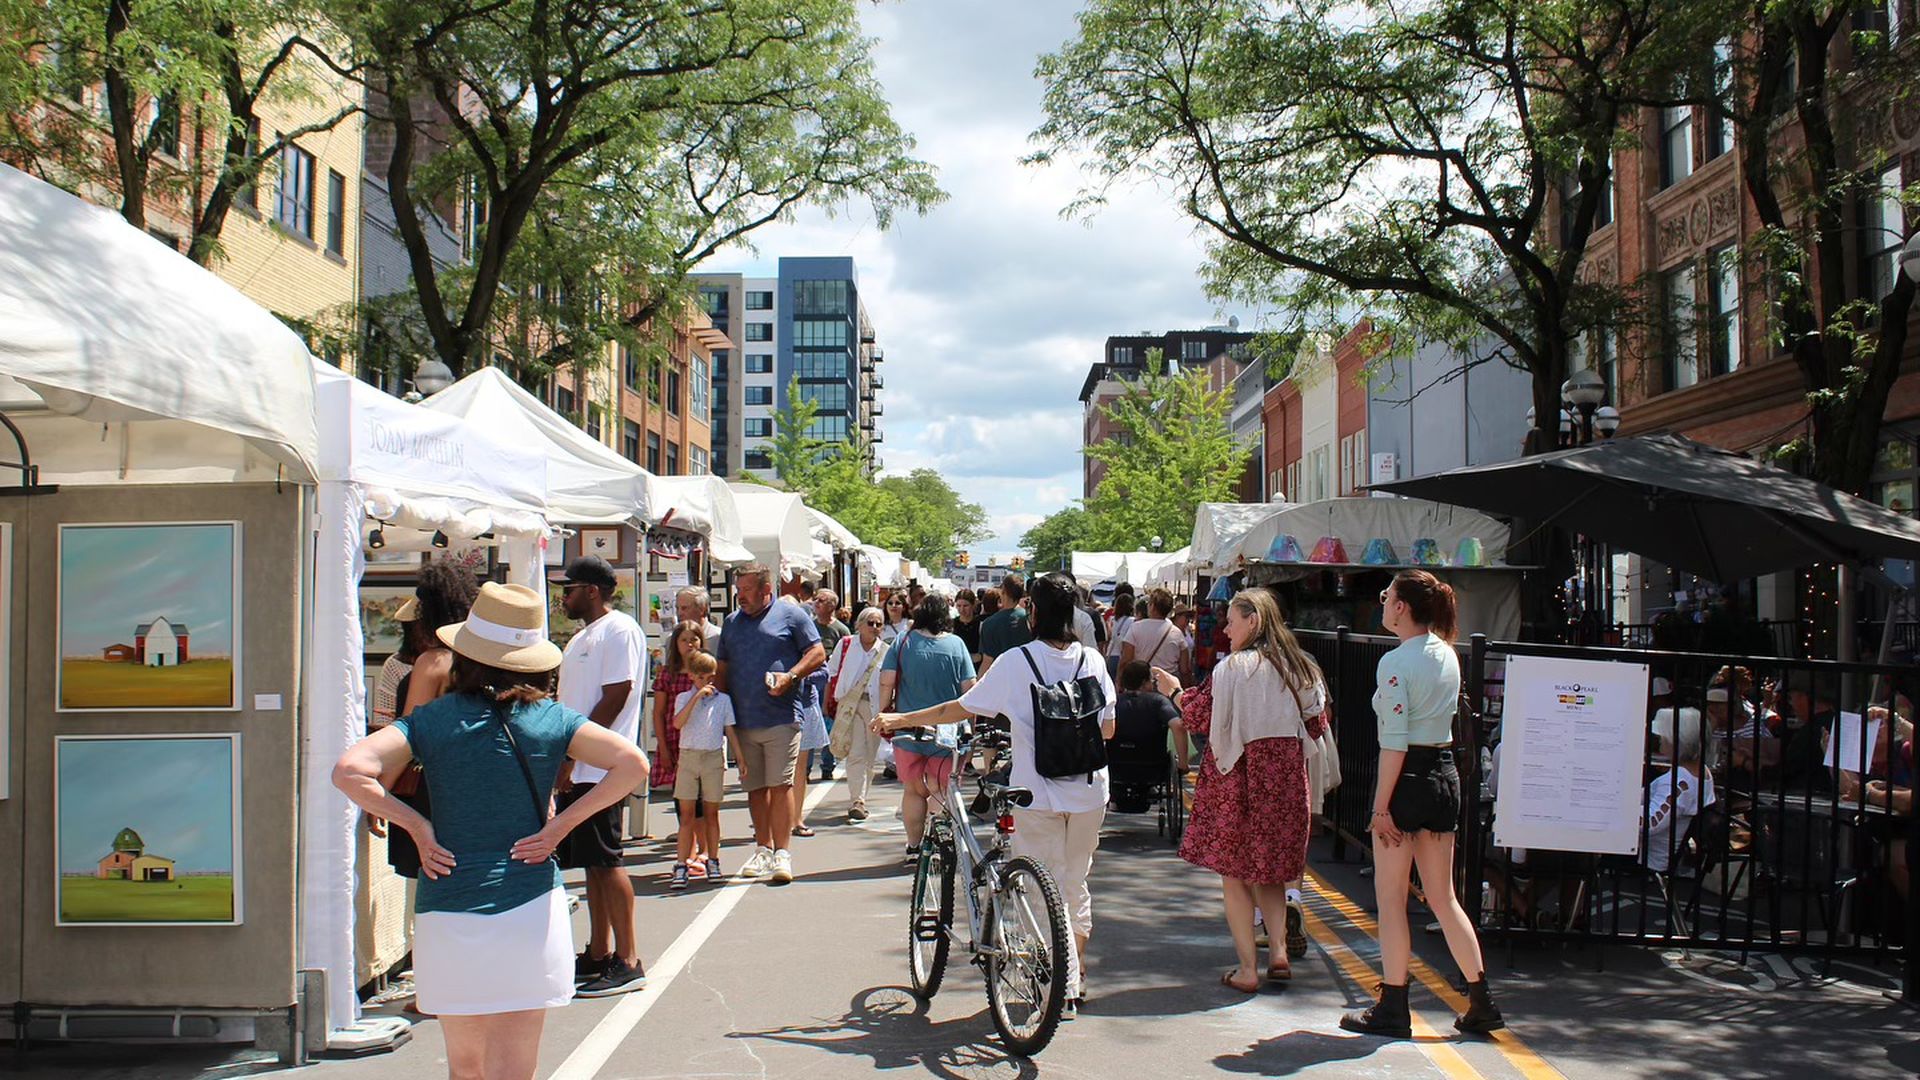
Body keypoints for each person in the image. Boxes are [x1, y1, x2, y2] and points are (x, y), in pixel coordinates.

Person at [332, 582, 648, 1080]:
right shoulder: (552, 718)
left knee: (465, 1068)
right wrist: (560, 826)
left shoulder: (432, 720)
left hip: (450, 902)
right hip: (531, 904)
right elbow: (633, 764)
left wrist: (415, 824)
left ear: (465, 653)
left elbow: (350, 770)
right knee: (516, 1069)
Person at [875, 571, 1115, 1020]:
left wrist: (901, 719)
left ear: (1033, 613)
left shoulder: (1016, 662)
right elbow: (1108, 727)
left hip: (1037, 791)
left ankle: (1052, 984)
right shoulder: (1093, 661)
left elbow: (959, 708)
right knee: (1074, 881)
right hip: (1089, 790)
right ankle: (1074, 978)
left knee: (1038, 885)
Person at [1342, 570, 1503, 1037]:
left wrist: (1379, 806)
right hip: (1444, 775)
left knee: (1391, 901)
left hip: (1406, 778)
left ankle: (1393, 1004)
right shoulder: (1448, 654)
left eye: (1387, 596)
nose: (1383, 603)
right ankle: (1480, 998)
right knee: (1443, 897)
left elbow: (1394, 742)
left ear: (1402, 607)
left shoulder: (1395, 662)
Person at [1176, 590, 1327, 992]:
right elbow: (1316, 724)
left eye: (1232, 620)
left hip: (1237, 778)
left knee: (1235, 874)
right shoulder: (1301, 667)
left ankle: (1247, 968)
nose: (1225, 628)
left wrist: (1174, 691)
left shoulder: (1233, 669)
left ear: (1253, 622)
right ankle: (1278, 952)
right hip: (1286, 779)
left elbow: (1197, 716)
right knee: (1271, 872)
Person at [551, 556, 649, 998]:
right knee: (593, 863)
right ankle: (598, 951)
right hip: (584, 764)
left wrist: (577, 751)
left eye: (569, 588)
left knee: (608, 861)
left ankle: (629, 960)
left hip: (604, 766)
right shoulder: (582, 636)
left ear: (591, 590)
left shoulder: (619, 629)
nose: (563, 596)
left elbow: (617, 693)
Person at [715, 563, 826, 885]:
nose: (740, 597)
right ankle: (762, 848)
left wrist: (791, 676)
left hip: (782, 715)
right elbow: (722, 668)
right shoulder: (732, 623)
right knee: (755, 788)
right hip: (744, 718)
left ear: (766, 590)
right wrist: (719, 712)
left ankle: (782, 853)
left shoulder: (791, 616)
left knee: (780, 785)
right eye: (738, 590)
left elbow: (817, 652)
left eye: (746, 590)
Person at [877, 593, 978, 858]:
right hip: (948, 731)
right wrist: (972, 726)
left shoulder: (903, 641)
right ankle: (940, 844)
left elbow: (886, 680)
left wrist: (883, 712)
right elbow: (970, 689)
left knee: (912, 789)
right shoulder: (957, 645)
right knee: (939, 787)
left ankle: (913, 846)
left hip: (907, 728)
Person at [670, 651, 736, 890]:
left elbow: (730, 730)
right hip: (688, 756)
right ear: (692, 677)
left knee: (711, 813)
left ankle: (713, 859)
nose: (707, 683)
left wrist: (739, 757)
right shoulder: (683, 698)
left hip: (712, 757)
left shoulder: (723, 700)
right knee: (686, 815)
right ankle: (681, 863)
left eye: (711, 678)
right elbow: (677, 723)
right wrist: (696, 697)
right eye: (701, 678)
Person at [826, 607, 890, 821]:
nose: (874, 628)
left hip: (874, 707)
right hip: (849, 705)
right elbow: (832, 673)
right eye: (870, 623)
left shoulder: (886, 651)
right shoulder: (845, 645)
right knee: (856, 753)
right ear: (859, 624)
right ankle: (857, 800)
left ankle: (862, 797)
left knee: (870, 755)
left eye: (878, 624)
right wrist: (829, 702)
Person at [1645, 707, 1716, 875]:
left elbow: (1651, 823)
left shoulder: (1678, 781)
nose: (1660, 739)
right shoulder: (1701, 771)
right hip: (1667, 853)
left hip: (1651, 859)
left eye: (1663, 735)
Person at [651, 622, 706, 797]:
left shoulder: (708, 672)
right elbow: (658, 713)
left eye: (694, 639)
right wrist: (663, 748)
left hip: (702, 741)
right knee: (682, 798)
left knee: (704, 800)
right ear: (676, 643)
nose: (689, 644)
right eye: (684, 640)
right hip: (673, 739)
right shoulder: (667, 673)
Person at [808, 589, 850, 786]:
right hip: (809, 678)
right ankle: (805, 768)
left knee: (829, 724)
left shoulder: (841, 630)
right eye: (815, 599)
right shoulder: (808, 626)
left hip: (831, 682)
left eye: (822, 600)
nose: (816, 603)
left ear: (832, 606)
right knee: (808, 721)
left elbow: (846, 658)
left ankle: (827, 765)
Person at [976, 573, 1032, 674]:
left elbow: (987, 662)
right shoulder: (1030, 619)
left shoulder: (990, 623)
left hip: (1000, 678)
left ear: (1003, 592)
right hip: (1027, 676)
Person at [1105, 584, 1137, 679]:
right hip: (1122, 656)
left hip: (1110, 655)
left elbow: (1108, 637)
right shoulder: (1133, 621)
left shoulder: (1111, 619)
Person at [953, 589, 983, 667]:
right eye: (959, 606)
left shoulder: (980, 625)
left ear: (973, 605)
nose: (962, 609)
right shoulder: (951, 625)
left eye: (965, 606)